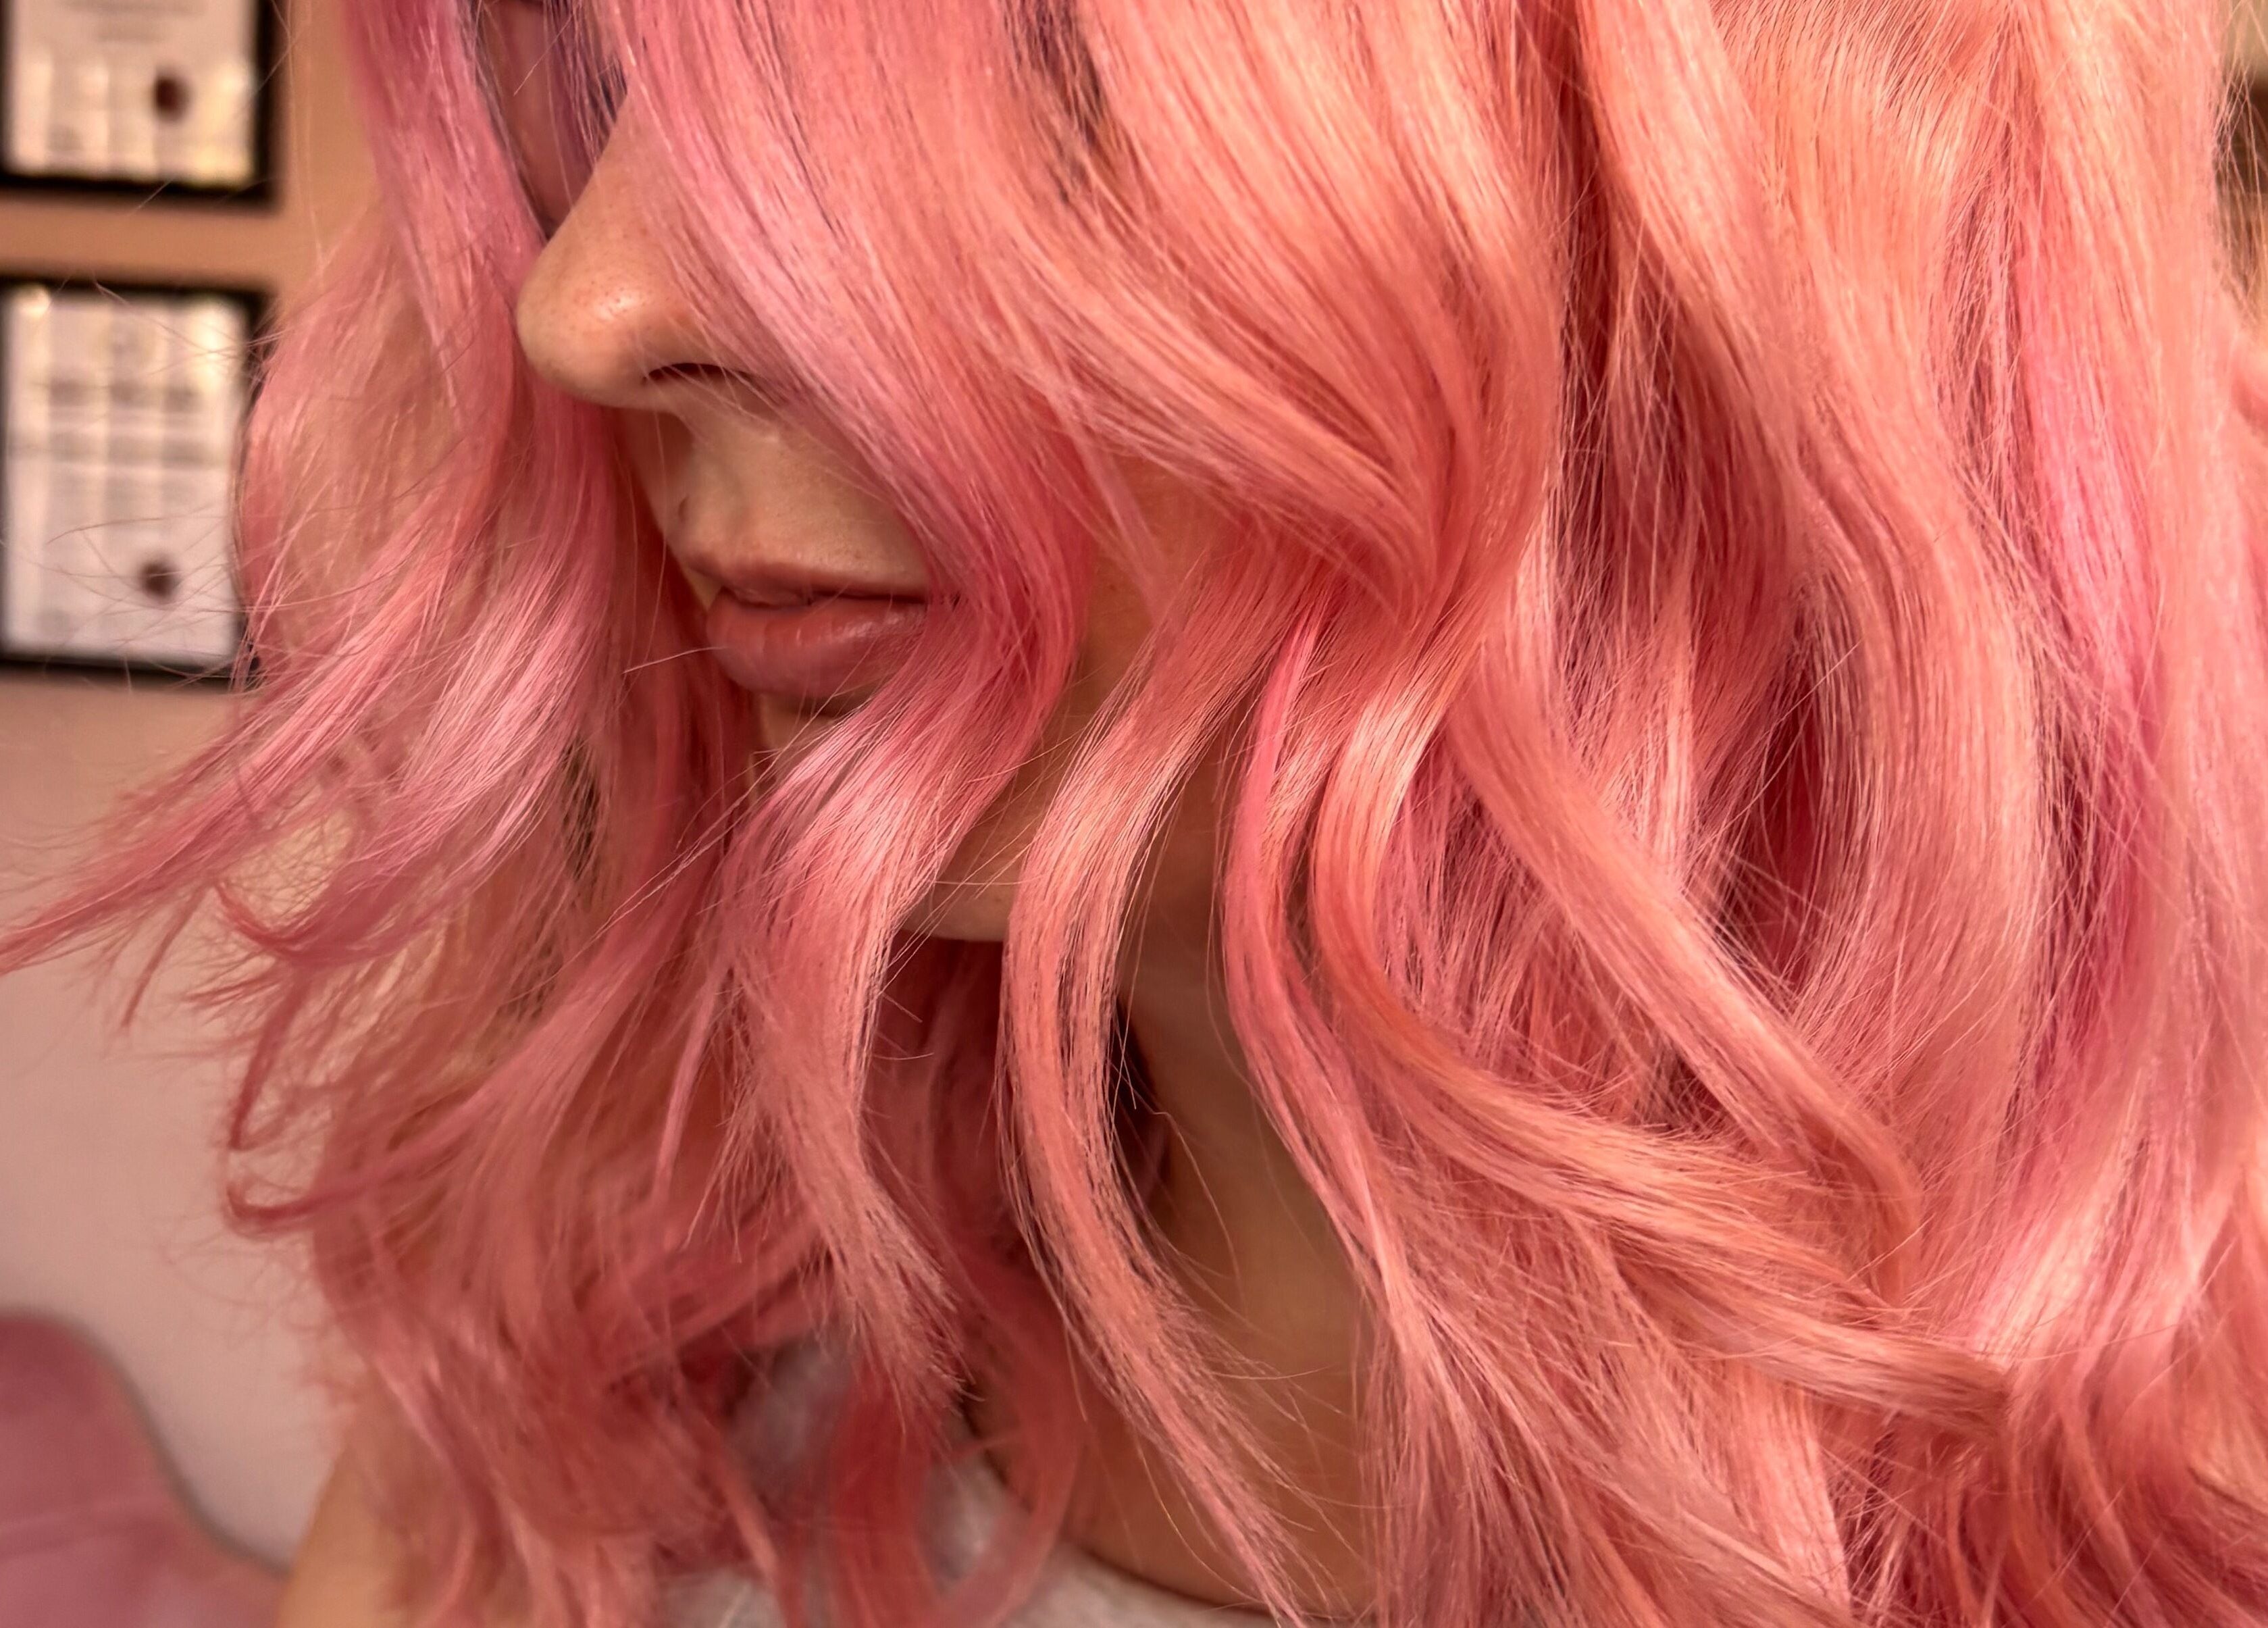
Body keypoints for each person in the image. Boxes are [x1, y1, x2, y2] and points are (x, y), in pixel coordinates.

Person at [8, 0, 2268, 1623]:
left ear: (1725, 253)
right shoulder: (582, 1416)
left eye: (1025, 66)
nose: (593, 301)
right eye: (605, 77)